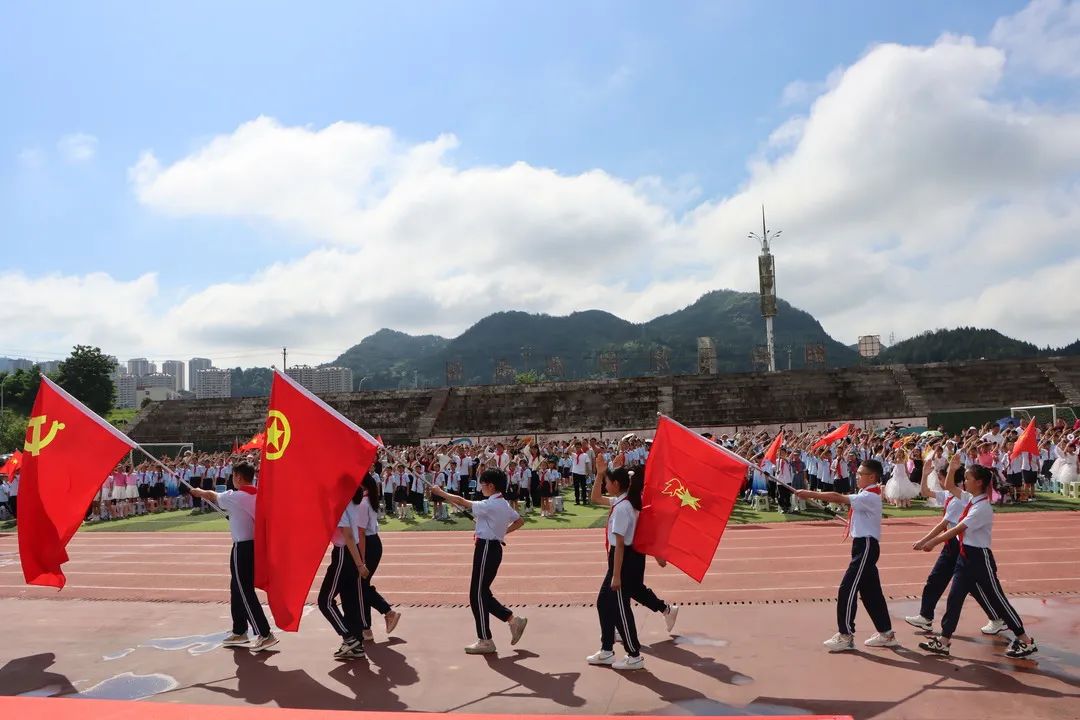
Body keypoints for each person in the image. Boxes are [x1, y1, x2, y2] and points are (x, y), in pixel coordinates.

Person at [914, 464, 1038, 659]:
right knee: (954, 599)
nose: (964, 482)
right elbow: (949, 486)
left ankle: (1025, 640)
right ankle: (944, 641)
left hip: (980, 559)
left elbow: (958, 529)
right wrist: (953, 468)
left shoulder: (982, 507)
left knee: (998, 600)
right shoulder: (971, 499)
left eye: (968, 478)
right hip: (965, 558)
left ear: (979, 482)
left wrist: (932, 542)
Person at [796, 459, 897, 652]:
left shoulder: (870, 496)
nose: (857, 476)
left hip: (866, 546)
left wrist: (809, 493)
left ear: (872, 477)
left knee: (847, 589)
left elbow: (836, 497)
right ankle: (886, 633)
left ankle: (845, 635)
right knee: (871, 593)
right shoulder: (866, 493)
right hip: (862, 545)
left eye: (860, 474)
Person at [904, 454, 1003, 635]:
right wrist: (926, 474)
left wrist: (928, 541)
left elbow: (948, 526)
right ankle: (927, 618)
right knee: (940, 581)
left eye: (940, 477)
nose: (940, 481)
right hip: (953, 544)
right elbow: (927, 492)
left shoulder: (961, 500)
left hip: (959, 545)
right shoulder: (951, 495)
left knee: (973, 587)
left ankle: (998, 618)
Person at [431, 469, 528, 654]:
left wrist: (440, 492)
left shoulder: (490, 504)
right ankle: (512, 621)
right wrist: (501, 533)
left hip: (486, 549)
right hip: (491, 548)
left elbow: (461, 501)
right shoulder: (503, 504)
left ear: (491, 486)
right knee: (482, 593)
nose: (481, 488)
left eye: (482, 484)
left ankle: (486, 639)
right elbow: (520, 521)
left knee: (477, 595)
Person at [188, 463, 277, 652]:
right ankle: (240, 630)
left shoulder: (237, 496)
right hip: (254, 546)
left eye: (233, 476)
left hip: (243, 547)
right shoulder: (257, 495)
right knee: (237, 588)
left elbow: (213, 496)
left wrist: (199, 491)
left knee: (244, 590)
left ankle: (264, 633)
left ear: (237, 476)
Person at [586, 453, 647, 670]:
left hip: (623, 560)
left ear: (617, 484)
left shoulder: (623, 508)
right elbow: (595, 498)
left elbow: (620, 545)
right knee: (604, 603)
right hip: (619, 559)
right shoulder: (621, 501)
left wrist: (616, 575)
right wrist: (600, 474)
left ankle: (634, 655)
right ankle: (606, 650)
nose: (605, 485)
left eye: (608, 482)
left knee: (621, 608)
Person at [315, 481, 368, 660]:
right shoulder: (353, 502)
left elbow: (348, 535)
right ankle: (356, 644)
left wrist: (360, 564)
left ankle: (348, 637)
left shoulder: (343, 505)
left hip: (344, 554)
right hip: (350, 554)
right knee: (349, 601)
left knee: (325, 600)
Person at [355, 471, 401, 641]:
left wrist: (361, 559)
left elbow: (360, 533)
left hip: (368, 544)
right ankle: (366, 628)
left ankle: (387, 612)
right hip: (374, 542)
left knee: (361, 585)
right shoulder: (369, 500)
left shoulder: (363, 503)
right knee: (362, 585)